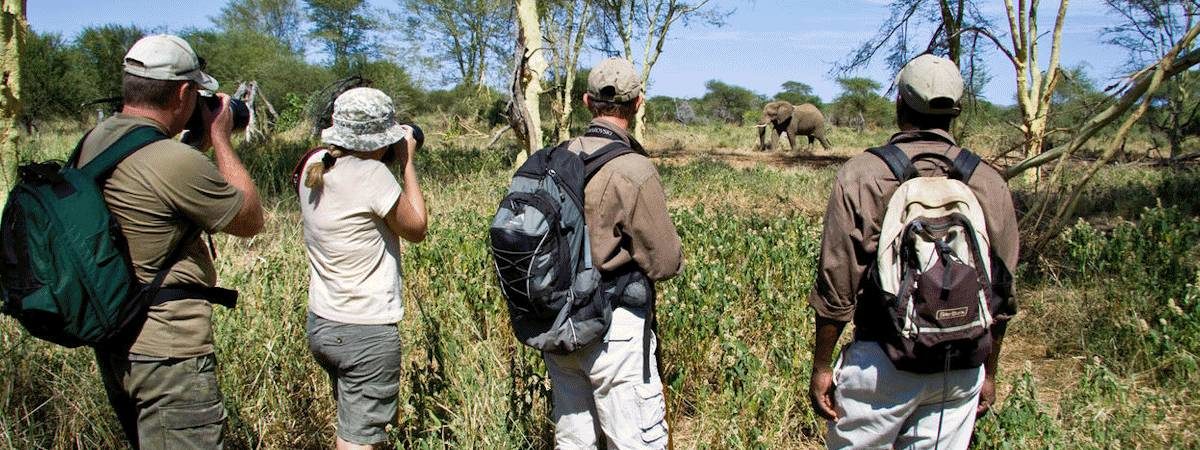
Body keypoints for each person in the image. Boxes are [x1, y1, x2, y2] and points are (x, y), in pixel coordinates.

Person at [807, 54, 1020, 449]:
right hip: (959, 367)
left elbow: (836, 287)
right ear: (956, 110)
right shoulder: (989, 180)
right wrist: (989, 373)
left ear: (900, 103)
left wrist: (822, 366)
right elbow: (1001, 293)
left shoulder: (863, 174)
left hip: (882, 361)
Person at [85, 34, 265, 449]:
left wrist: (193, 141)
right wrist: (219, 137)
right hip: (168, 351)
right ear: (185, 92)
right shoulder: (172, 160)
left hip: (116, 336)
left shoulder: (97, 141)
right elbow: (250, 218)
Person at [545, 57, 684, 450]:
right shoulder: (633, 168)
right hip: (614, 330)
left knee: (574, 442)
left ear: (587, 102)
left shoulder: (555, 157)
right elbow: (665, 262)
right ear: (638, 103)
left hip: (558, 324)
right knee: (635, 441)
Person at [298, 87, 427, 450]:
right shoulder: (372, 175)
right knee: (356, 442)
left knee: (357, 427)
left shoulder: (314, 165)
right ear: (380, 137)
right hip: (364, 331)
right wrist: (407, 163)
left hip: (323, 321)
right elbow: (417, 228)